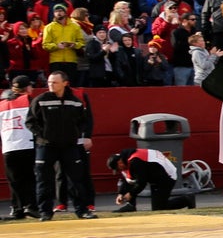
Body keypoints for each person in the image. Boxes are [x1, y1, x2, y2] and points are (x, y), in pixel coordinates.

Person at [27, 70, 95, 220]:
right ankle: (45, 212)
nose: (51, 85)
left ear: (65, 83)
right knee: (44, 179)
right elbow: (30, 122)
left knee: (76, 179)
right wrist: (42, 135)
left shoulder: (75, 101)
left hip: (69, 146)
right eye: (49, 82)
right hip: (46, 146)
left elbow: (83, 121)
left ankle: (82, 211)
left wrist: (76, 134)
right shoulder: (40, 100)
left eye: (55, 82)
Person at [108, 147, 191, 211]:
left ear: (119, 162)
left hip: (167, 176)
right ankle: (131, 206)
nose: (119, 171)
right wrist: (121, 194)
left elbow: (141, 182)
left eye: (118, 168)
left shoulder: (135, 162)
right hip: (155, 176)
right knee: (157, 207)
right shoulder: (125, 160)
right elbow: (128, 180)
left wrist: (131, 194)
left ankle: (187, 199)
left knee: (160, 208)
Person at [1, 75, 37, 219]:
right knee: (30, 178)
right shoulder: (28, 100)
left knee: (14, 181)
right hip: (27, 143)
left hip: (8, 146)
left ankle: (17, 209)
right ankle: (32, 207)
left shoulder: (1, 104)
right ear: (27, 88)